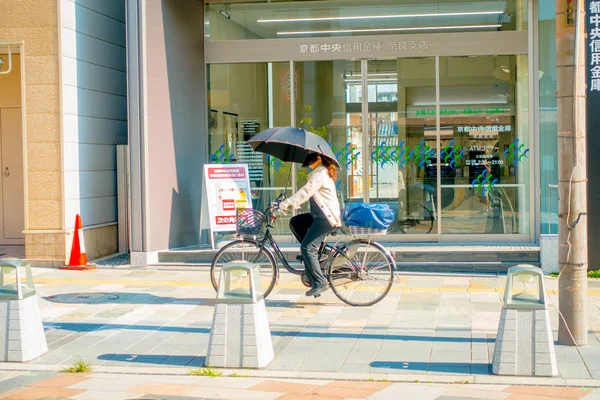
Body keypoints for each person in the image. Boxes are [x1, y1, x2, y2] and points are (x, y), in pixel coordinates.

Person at [279, 153, 341, 297]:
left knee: (307, 247)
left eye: (310, 160)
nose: (308, 164)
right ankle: (311, 256)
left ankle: (320, 282)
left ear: (320, 158)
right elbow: (308, 193)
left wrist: (288, 202)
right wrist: (294, 202)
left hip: (326, 218)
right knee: (296, 222)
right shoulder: (320, 172)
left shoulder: (320, 172)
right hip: (319, 216)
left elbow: (306, 191)